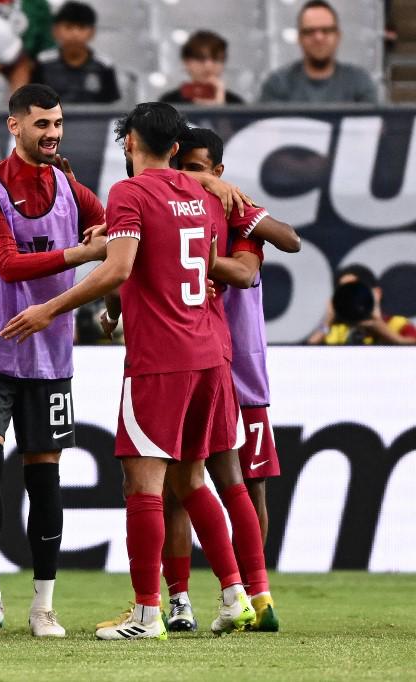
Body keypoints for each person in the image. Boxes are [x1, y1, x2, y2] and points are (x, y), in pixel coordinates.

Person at [1, 102, 256, 640]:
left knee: (142, 484)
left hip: (161, 358)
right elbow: (180, 261)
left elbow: (119, 267)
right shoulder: (207, 192)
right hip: (211, 351)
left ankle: (146, 614)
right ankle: (236, 596)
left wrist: (50, 308)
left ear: (129, 142)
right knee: (191, 478)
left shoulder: (131, 193)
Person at [0, 84, 106, 638]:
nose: (54, 133)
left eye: (58, 123)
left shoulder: (70, 186)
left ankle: (43, 606)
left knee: (45, 482)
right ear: (14, 125)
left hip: (51, 358)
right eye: (42, 124)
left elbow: (114, 233)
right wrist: (85, 253)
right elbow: (8, 263)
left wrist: (104, 274)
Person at [157, 126, 301, 634]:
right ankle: (182, 601)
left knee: (246, 488)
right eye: (181, 168)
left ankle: (253, 595)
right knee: (176, 489)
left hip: (245, 378)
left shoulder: (235, 214)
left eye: (198, 169)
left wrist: (242, 210)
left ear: (218, 173)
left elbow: (289, 241)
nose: (187, 178)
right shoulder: (175, 213)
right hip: (195, 366)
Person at [259, 0, 378, 104]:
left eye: (326, 30)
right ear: (299, 38)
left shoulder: (359, 82)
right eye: (310, 31)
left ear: (338, 36)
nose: (318, 38)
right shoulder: (278, 84)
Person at [33, 2, 120, 105]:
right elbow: (33, 104)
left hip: (93, 120)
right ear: (55, 31)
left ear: (92, 32)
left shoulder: (104, 65)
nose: (75, 33)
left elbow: (112, 108)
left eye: (82, 27)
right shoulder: (43, 63)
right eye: (68, 27)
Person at [308, 265, 416, 345]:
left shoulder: (397, 324)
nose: (352, 297)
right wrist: (327, 321)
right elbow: (306, 355)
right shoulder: (336, 331)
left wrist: (380, 328)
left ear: (377, 293)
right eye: (346, 292)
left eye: (357, 291)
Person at [159, 30, 244, 106]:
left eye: (216, 59)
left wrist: (221, 108)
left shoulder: (236, 104)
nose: (208, 66)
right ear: (186, 62)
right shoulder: (169, 102)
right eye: (200, 59)